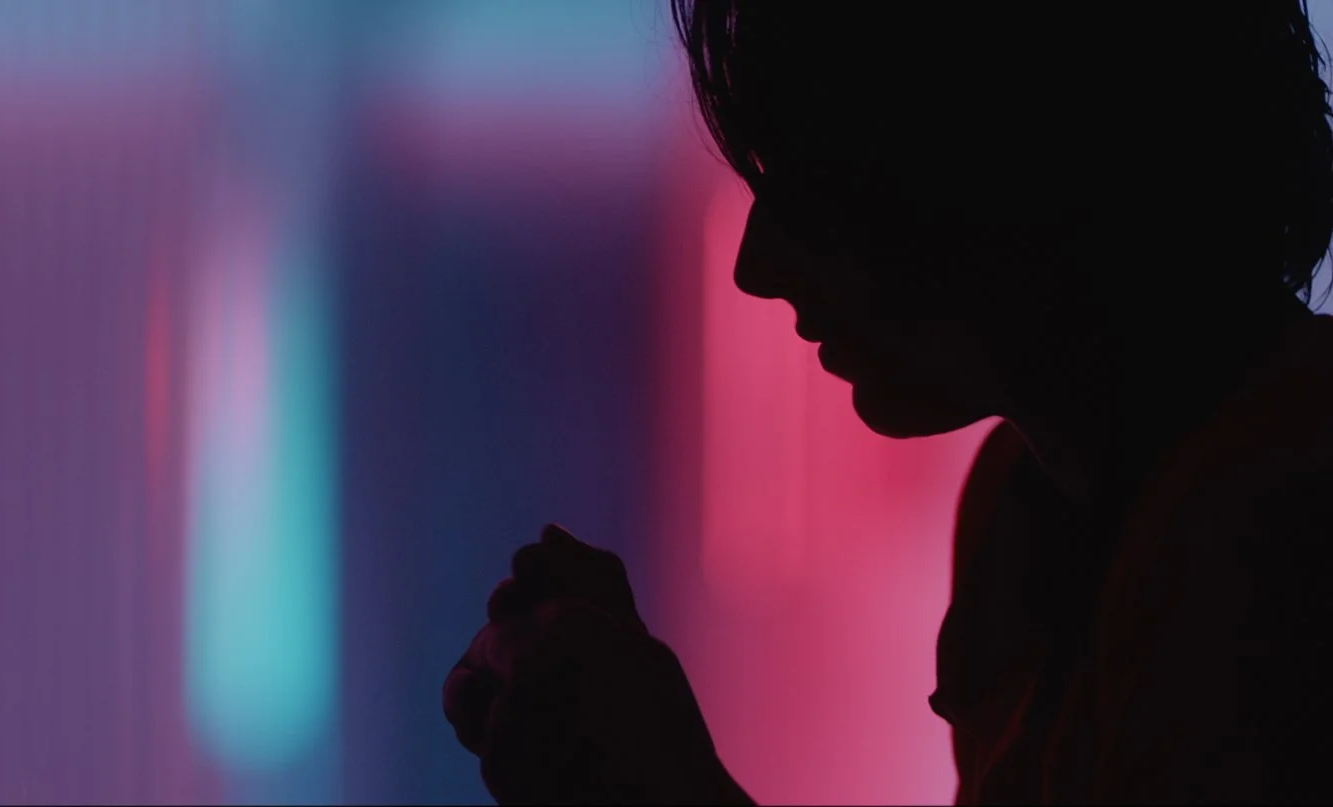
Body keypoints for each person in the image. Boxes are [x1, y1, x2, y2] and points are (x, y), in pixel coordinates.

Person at [442, 2, 1333, 803]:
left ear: (1021, 158)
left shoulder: (1276, 518)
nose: (757, 266)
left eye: (817, 185)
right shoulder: (1029, 501)